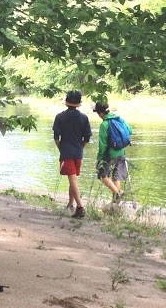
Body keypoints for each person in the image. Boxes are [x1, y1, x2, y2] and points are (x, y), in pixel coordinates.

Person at [53, 90, 91, 218]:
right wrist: (80, 147)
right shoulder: (84, 118)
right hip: (78, 152)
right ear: (79, 104)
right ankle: (70, 204)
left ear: (66, 103)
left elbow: (56, 137)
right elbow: (87, 138)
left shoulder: (60, 117)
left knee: (72, 179)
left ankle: (80, 207)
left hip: (66, 151)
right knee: (73, 178)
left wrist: (61, 149)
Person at [93, 101, 130, 203]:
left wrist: (99, 159)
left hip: (110, 155)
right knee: (116, 177)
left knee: (102, 176)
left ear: (100, 113)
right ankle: (115, 204)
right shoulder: (119, 119)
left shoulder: (104, 125)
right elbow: (130, 131)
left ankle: (118, 193)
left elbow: (102, 145)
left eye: (97, 113)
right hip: (121, 152)